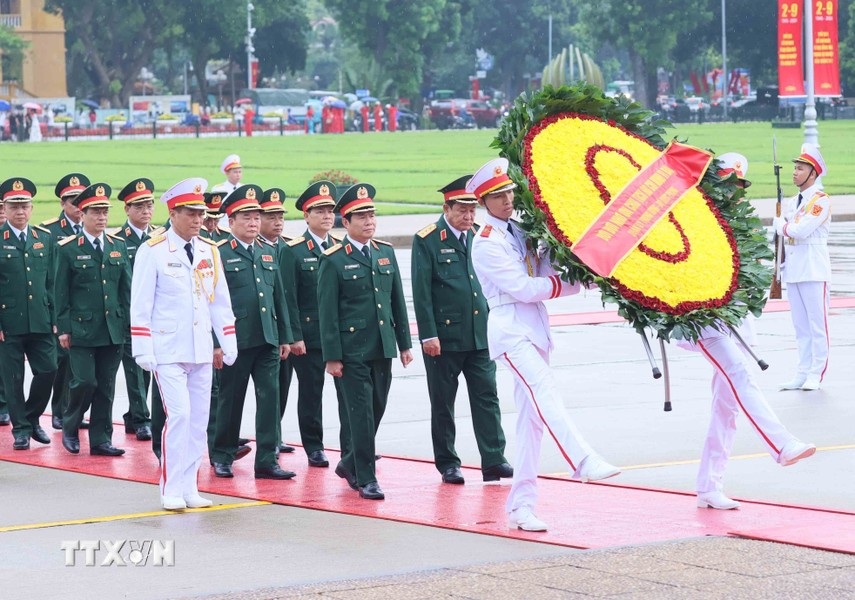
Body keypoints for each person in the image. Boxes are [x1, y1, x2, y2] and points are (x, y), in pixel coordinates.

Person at [468, 158, 620, 532]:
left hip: (534, 329)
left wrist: (585, 267)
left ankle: (522, 506)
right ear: (484, 202)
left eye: (508, 192)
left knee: (531, 422)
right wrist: (573, 286)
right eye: (497, 195)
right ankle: (581, 460)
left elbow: (547, 266)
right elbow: (523, 288)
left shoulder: (518, 231)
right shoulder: (486, 242)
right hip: (510, 330)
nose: (506, 200)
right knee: (544, 389)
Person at [683, 154, 817, 510]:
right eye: (728, 185)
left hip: (737, 324)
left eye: (738, 186)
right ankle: (782, 444)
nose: (734, 193)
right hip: (703, 323)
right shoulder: (693, 220)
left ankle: (709, 486)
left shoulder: (738, 224)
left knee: (726, 408)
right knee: (741, 376)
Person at [131, 177, 237, 510]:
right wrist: (142, 347)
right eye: (190, 213)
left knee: (198, 420)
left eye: (201, 213)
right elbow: (141, 303)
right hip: (167, 349)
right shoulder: (154, 251)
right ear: (173, 213)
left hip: (200, 349)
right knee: (178, 415)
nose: (198, 220)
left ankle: (190, 485)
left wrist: (228, 339)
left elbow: (219, 300)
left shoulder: (209, 250)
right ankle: (171, 487)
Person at [411, 175, 512, 485]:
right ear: (447, 208)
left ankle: (494, 459)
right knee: (443, 402)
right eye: (462, 211)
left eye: (472, 211)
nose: (469, 217)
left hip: (480, 334)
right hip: (444, 338)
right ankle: (448, 463)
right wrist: (429, 335)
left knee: (487, 396)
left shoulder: (481, 235)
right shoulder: (428, 239)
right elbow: (422, 291)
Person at [318, 183, 413, 499]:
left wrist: (404, 343)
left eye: (371, 215)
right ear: (345, 223)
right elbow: (327, 312)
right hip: (352, 350)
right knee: (361, 414)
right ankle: (367, 477)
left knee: (378, 406)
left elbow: (396, 300)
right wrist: (332, 356)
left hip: (381, 346)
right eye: (360, 217)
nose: (369, 221)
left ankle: (349, 462)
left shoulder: (384, 252)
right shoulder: (333, 259)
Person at [209, 185, 295, 481]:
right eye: (245, 217)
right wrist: (216, 343)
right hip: (235, 339)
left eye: (256, 217)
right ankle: (223, 454)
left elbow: (278, 297)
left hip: (267, 337)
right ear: (230, 221)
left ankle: (267, 460)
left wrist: (284, 336)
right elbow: (209, 302)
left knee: (270, 399)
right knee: (230, 399)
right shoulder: (218, 253)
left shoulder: (268, 251)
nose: (253, 223)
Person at [55, 183, 131, 457]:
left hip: (113, 330)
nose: (101, 217)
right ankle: (70, 425)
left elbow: (126, 289)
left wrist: (130, 325)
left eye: (104, 212)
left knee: (106, 387)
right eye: (95, 212)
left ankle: (100, 440)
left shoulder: (117, 246)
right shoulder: (67, 249)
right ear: (82, 213)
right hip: (82, 330)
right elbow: (60, 292)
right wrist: (63, 328)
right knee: (84, 382)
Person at [278, 181, 341, 468]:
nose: (327, 216)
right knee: (311, 392)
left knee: (349, 393)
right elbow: (288, 297)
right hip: (309, 335)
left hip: (339, 336)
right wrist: (294, 336)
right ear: (306, 215)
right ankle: (314, 446)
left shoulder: (339, 248)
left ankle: (354, 445)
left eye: (330, 211)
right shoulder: (293, 250)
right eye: (320, 211)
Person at [0, 178, 57, 450]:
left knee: (49, 370)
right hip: (8, 323)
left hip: (41, 321)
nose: (20, 212)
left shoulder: (44, 239)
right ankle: (21, 430)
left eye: (25, 206)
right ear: (5, 208)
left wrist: (56, 319)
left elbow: (52, 284)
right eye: (14, 207)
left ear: (32, 208)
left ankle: (32, 418)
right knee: (13, 380)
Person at [773, 143, 831, 391]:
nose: (794, 172)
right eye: (795, 168)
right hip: (794, 269)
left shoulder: (820, 201)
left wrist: (780, 226)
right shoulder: (792, 202)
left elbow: (801, 230)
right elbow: (785, 234)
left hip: (814, 268)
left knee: (817, 325)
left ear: (813, 173)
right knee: (800, 326)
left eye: (800, 169)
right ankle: (802, 371)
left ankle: (816, 373)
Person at [112, 178, 165, 442]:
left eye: (149, 205)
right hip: (128, 314)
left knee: (148, 368)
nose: (146, 211)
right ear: (127, 209)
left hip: (157, 314)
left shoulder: (158, 237)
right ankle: (142, 418)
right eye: (140, 206)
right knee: (134, 368)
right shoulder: (118, 240)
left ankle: (134, 416)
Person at [41, 173, 90, 431]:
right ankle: (59, 411)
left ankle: (76, 411)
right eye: (72, 202)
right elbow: (47, 275)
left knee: (81, 367)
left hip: (86, 308)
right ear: (62, 203)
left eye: (81, 201)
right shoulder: (49, 231)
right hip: (61, 306)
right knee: (62, 363)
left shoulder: (93, 227)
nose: (78, 207)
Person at [256, 187, 298, 455]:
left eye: (280, 216)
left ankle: (276, 434)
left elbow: (291, 298)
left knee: (281, 387)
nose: (278, 222)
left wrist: (290, 335)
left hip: (284, 331)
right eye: (271, 217)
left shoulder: (290, 248)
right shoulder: (255, 248)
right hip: (256, 329)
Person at [217, 154, 242, 229]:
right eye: (235, 172)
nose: (238, 175)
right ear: (227, 173)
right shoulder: (219, 189)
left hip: (239, 226)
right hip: (223, 225)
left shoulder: (243, 188)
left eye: (239, 172)